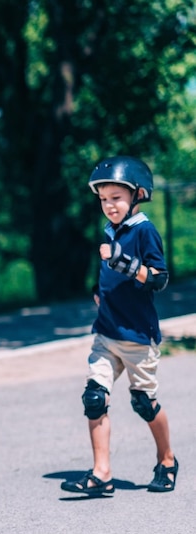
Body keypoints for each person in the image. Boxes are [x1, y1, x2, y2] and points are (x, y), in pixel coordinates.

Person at [61, 156, 178, 497]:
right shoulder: (110, 231)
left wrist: (124, 263)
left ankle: (167, 459)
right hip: (107, 333)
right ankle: (102, 474)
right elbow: (107, 274)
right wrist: (99, 291)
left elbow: (159, 278)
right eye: (103, 199)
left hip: (138, 337)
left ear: (137, 194)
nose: (109, 205)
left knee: (144, 402)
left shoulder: (144, 231)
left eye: (116, 197)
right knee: (94, 399)